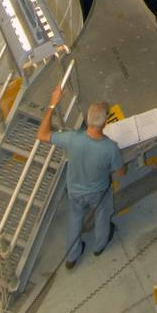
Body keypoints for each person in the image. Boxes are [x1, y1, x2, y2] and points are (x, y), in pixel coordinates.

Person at [37, 84, 126, 269]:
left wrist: (52, 104)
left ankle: (72, 256)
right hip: (98, 193)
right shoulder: (110, 148)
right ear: (105, 122)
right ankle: (100, 245)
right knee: (102, 216)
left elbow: (42, 134)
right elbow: (120, 173)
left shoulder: (71, 138)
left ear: (87, 118)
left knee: (75, 217)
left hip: (75, 192)